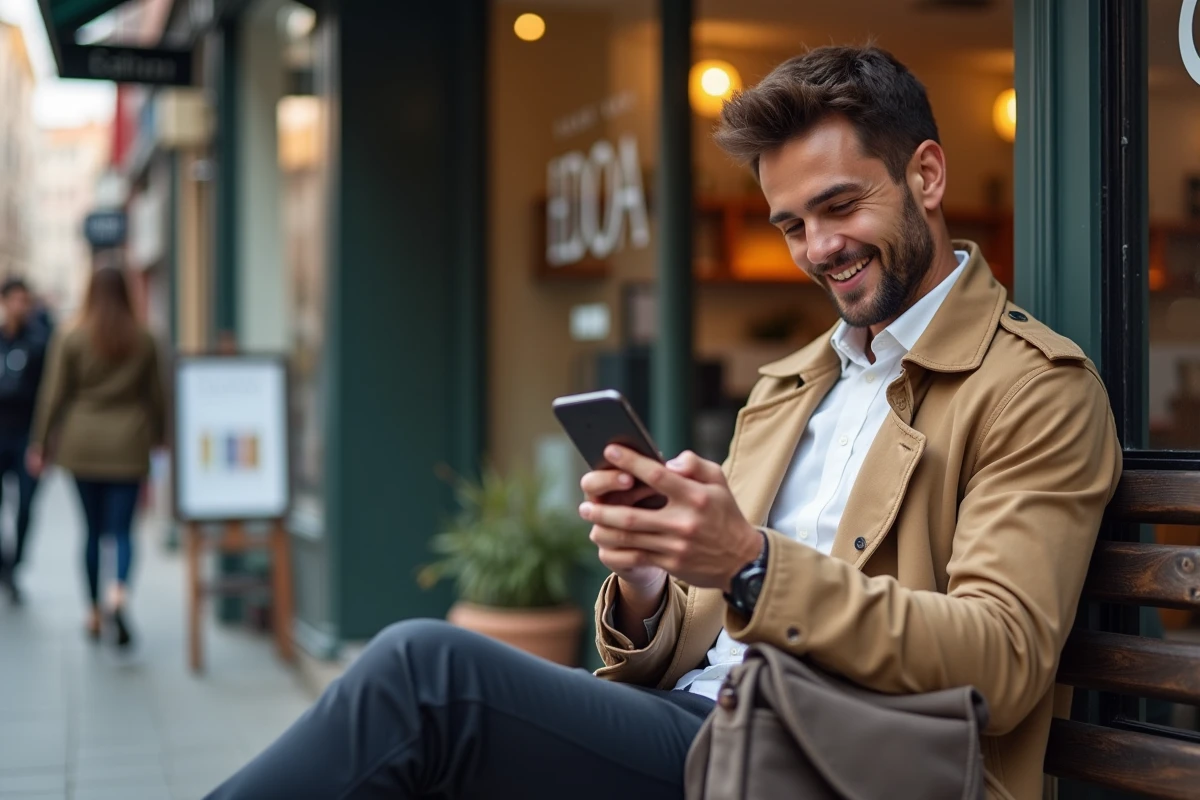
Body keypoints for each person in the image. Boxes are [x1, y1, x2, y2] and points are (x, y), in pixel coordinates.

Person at [206, 45, 1121, 800]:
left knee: (424, 679)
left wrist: (751, 564)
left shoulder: (1034, 389)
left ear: (925, 174)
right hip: (710, 734)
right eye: (792, 224)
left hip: (843, 765)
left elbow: (1001, 664)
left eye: (841, 206)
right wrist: (648, 584)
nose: (819, 249)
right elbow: (704, 631)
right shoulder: (792, 385)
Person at [28, 266, 165, 648]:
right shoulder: (145, 338)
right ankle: (117, 596)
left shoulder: (71, 336)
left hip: (82, 443)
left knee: (91, 532)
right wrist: (160, 437)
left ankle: (91, 611)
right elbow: (157, 396)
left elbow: (53, 394)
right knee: (122, 531)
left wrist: (40, 443)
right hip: (129, 443)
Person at [0, 278, 49, 604]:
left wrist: (44, 440)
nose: (21, 307)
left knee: (27, 506)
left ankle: (14, 566)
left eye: (25, 301)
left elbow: (49, 393)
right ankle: (4, 566)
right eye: (16, 300)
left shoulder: (40, 341)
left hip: (27, 436)